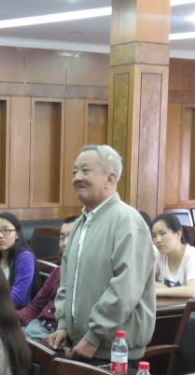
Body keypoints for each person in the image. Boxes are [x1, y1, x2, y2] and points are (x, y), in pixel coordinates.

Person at [46, 145, 156, 360]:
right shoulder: (80, 224)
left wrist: (94, 335)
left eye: (85, 171)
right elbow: (67, 281)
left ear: (110, 178)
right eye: (74, 171)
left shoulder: (127, 221)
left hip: (115, 350)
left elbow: (125, 288)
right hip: (79, 344)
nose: (77, 178)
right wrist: (63, 325)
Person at [17, 216, 78, 340]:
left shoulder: (92, 277)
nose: (65, 243)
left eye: (72, 236)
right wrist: (7, 319)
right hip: (36, 326)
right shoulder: (58, 272)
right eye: (62, 237)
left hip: (55, 337)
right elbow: (36, 306)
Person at [150, 213, 195, 300]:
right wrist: (162, 287)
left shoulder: (194, 257)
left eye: (163, 233)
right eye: (154, 236)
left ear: (178, 234)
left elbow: (192, 291)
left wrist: (154, 291)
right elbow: (143, 280)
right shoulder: (160, 255)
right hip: (174, 304)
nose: (158, 240)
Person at [0, 212, 35, 308]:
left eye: (6, 230)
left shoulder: (25, 258)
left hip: (15, 311)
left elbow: (17, 298)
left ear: (17, 234)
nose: (0, 235)